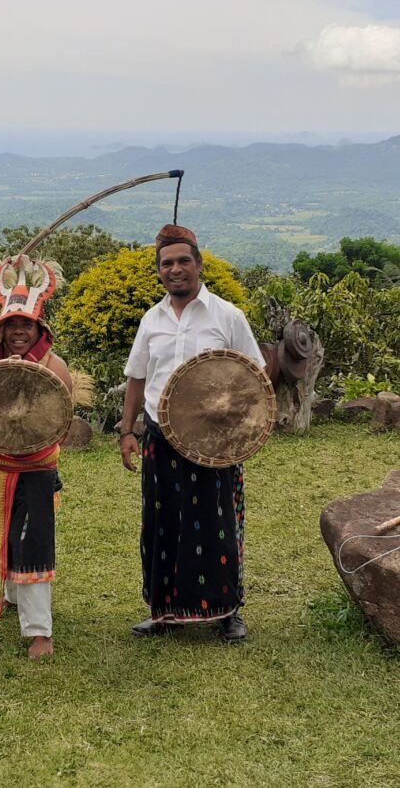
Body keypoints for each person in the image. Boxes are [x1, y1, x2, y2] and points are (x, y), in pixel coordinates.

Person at [119, 225, 266, 642]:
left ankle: (229, 612)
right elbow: (136, 379)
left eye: (184, 261)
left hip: (215, 444)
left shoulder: (228, 316)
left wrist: (244, 430)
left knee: (217, 522)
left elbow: (253, 376)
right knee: (161, 525)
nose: (176, 269)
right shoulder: (152, 319)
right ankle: (163, 612)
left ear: (200, 265)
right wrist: (128, 431)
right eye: (167, 263)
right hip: (160, 441)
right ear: (160, 272)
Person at [0, 254, 72, 661]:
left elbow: (60, 422)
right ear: (1, 329)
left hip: (35, 470)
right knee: (5, 537)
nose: (18, 331)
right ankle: (10, 599)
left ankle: (40, 632)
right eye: (10, 325)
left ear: (39, 327)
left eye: (25, 325)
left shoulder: (55, 366)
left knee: (32, 545)